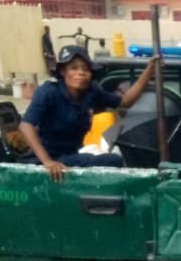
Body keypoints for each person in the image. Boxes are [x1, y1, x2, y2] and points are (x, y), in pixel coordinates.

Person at [20, 46, 158, 181]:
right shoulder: (48, 92)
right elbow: (26, 125)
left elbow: (125, 101)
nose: (81, 73)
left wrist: (149, 71)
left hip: (70, 157)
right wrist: (47, 162)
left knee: (119, 159)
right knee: (112, 161)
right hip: (46, 159)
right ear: (63, 71)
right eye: (74, 68)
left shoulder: (91, 92)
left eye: (85, 69)